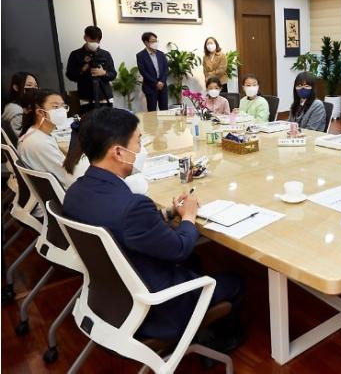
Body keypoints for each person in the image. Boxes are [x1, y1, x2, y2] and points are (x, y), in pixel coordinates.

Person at [62, 107, 243, 343]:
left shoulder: (75, 192)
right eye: (138, 142)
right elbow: (180, 247)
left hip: (110, 296)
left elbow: (125, 227)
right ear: (118, 152)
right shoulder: (133, 207)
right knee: (234, 282)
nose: (141, 150)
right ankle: (223, 341)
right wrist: (188, 215)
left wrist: (168, 213)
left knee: (195, 262)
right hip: (155, 308)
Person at [17, 89, 76, 189]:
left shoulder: (35, 133)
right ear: (40, 112)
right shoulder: (39, 142)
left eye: (63, 106)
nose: (62, 110)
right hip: (65, 192)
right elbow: (69, 177)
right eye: (55, 107)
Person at [66, 26, 116, 112]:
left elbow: (113, 74)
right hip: (86, 97)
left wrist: (104, 73)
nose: (93, 43)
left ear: (99, 40)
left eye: (96, 41)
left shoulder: (105, 54)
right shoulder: (76, 54)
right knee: (88, 120)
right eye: (91, 40)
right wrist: (82, 69)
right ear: (85, 37)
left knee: (108, 119)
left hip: (104, 97)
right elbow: (70, 75)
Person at [136, 32, 169, 112]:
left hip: (163, 87)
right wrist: (156, 83)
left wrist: (162, 82)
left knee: (165, 111)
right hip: (150, 87)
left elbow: (166, 69)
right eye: (153, 41)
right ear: (146, 42)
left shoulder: (161, 54)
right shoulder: (140, 56)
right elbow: (143, 72)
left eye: (156, 41)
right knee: (152, 112)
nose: (155, 43)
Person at [2, 72, 38, 138]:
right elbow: (19, 138)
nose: (34, 89)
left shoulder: (27, 106)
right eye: (29, 85)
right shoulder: (16, 110)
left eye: (35, 86)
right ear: (16, 87)